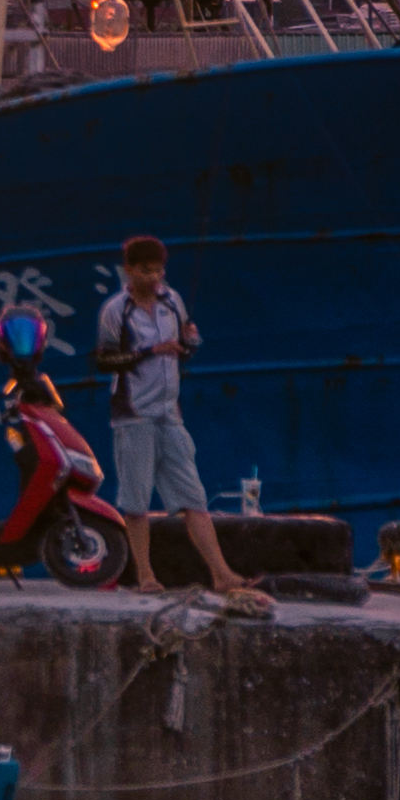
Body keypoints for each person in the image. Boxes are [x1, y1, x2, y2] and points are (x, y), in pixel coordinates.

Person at [91, 232, 270, 609]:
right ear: (129, 271)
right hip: (134, 415)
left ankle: (221, 573)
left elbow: (182, 351)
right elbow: (104, 359)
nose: (154, 277)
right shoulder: (116, 310)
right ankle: (145, 574)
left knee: (194, 497)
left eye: (158, 270)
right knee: (136, 499)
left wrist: (190, 342)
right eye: (145, 271)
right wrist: (150, 350)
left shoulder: (172, 302)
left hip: (169, 414)